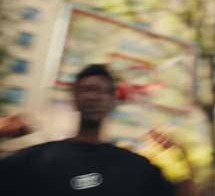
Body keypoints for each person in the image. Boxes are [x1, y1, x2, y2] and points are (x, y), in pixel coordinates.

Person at [0, 64, 197, 195]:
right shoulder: (38, 159)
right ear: (76, 100)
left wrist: (184, 162)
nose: (94, 97)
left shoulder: (135, 167)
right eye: (87, 90)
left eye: (102, 91)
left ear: (113, 103)